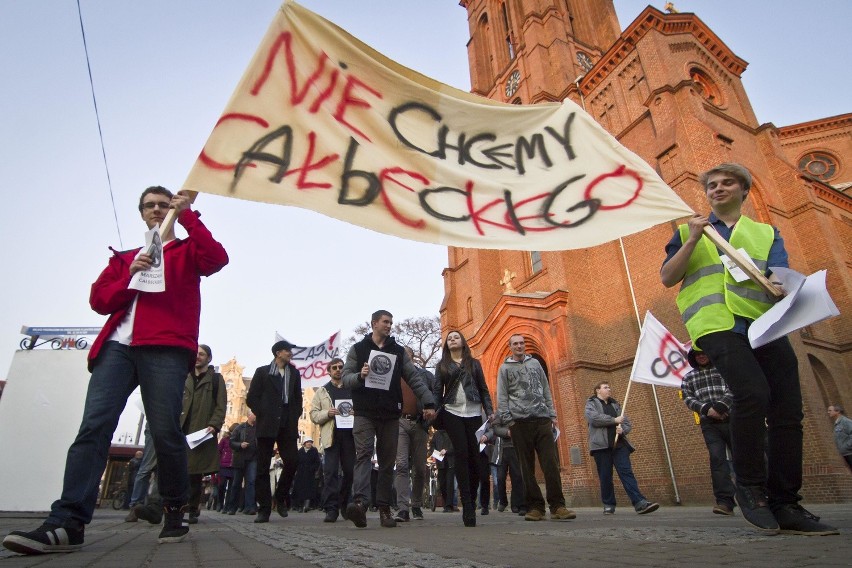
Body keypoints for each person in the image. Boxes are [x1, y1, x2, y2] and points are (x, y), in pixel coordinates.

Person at [2, 187, 228, 555]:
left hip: (165, 348)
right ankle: (68, 522)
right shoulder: (125, 258)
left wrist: (187, 215)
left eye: (163, 204)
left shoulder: (186, 251)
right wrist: (129, 277)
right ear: (141, 213)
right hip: (117, 349)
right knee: (93, 426)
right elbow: (99, 300)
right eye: (150, 205)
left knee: (165, 430)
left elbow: (217, 259)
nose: (157, 210)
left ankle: (173, 507)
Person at [660, 162, 837, 535]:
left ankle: (786, 502)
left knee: (788, 407)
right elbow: (668, 276)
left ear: (744, 190)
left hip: (764, 325)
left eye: (727, 183)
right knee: (752, 392)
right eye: (712, 185)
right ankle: (751, 488)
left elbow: (779, 273)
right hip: (716, 324)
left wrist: (783, 284)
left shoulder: (765, 232)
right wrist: (693, 239)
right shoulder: (689, 230)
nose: (718, 189)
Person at [341, 309, 436, 529]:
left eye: (391, 323)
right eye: (385, 322)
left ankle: (384, 508)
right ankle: (361, 503)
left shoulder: (397, 351)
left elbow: (414, 378)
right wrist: (359, 376)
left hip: (391, 413)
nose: (389, 326)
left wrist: (429, 402)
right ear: (374, 323)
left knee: (387, 461)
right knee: (363, 455)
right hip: (364, 412)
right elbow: (345, 378)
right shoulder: (358, 349)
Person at [496, 334, 575, 522]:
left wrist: (552, 414)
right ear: (510, 347)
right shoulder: (504, 369)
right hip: (519, 423)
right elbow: (502, 396)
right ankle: (535, 507)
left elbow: (546, 388)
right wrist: (509, 421)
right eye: (515, 344)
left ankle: (558, 506)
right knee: (526, 467)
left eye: (522, 343)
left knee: (550, 463)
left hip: (542, 419)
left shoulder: (535, 364)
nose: (519, 346)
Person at [432, 330, 494, 527]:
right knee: (461, 453)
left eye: (455, 337)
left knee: (475, 458)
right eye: (449, 338)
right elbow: (436, 391)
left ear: (463, 342)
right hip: (452, 412)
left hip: (474, 412)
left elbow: (483, 388)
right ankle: (467, 504)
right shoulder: (442, 365)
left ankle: (472, 498)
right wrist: (434, 411)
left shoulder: (474, 364)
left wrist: (490, 410)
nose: (452, 340)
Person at [246, 340, 303, 523]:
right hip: (267, 424)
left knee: (292, 461)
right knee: (262, 467)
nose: (290, 354)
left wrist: (294, 416)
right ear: (278, 353)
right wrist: (262, 413)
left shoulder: (294, 373)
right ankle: (264, 508)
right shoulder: (263, 372)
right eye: (287, 351)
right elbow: (252, 398)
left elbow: (297, 399)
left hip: (287, 423)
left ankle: (280, 496)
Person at [585, 382, 659, 515]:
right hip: (601, 447)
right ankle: (608, 504)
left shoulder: (616, 404)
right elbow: (593, 419)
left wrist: (622, 430)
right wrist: (614, 420)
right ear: (597, 390)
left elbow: (627, 423)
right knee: (605, 476)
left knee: (626, 472)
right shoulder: (591, 403)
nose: (609, 389)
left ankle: (639, 502)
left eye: (609, 387)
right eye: (605, 387)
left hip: (619, 445)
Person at [681, 349, 736, 515]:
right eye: (697, 355)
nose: (701, 356)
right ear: (693, 358)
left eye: (704, 353)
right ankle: (725, 502)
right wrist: (706, 409)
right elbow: (687, 398)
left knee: (743, 457)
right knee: (717, 459)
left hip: (731, 418)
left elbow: (733, 387)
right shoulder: (689, 377)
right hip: (709, 423)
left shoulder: (723, 370)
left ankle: (756, 497)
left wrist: (721, 406)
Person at [180, 344, 227, 524]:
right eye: (196, 353)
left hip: (200, 431)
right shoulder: (184, 375)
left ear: (209, 358)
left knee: (194, 473)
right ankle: (173, 507)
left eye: (202, 354)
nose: (198, 356)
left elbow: (221, 405)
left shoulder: (216, 379)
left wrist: (214, 425)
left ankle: (192, 508)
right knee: (176, 469)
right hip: (180, 428)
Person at [309, 357, 355, 523]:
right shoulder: (322, 391)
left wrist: (355, 413)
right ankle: (331, 508)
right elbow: (313, 415)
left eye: (340, 367)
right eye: (334, 367)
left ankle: (344, 503)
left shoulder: (352, 388)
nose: (337, 369)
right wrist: (327, 413)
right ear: (328, 371)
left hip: (350, 437)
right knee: (330, 473)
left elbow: (362, 409)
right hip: (331, 437)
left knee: (350, 472)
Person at [394, 347, 434, 522]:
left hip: (419, 423)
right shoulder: (392, 376)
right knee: (401, 464)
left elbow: (435, 396)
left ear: (412, 357)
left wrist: (430, 410)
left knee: (419, 467)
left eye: (406, 355)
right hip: (399, 423)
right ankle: (402, 508)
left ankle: (416, 504)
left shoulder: (425, 376)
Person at [492, 416, 525, 515]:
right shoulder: (501, 411)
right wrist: (507, 432)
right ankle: (503, 501)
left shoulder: (518, 411)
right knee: (500, 478)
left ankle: (516, 504)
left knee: (516, 476)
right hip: (502, 450)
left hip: (514, 448)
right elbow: (496, 428)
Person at [227, 414, 258, 515]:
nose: (256, 417)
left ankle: (250, 507)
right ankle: (232, 507)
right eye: (254, 414)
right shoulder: (240, 428)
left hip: (252, 459)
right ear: (249, 415)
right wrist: (240, 445)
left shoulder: (258, 428)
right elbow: (231, 442)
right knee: (236, 483)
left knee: (251, 482)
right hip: (240, 459)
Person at [291, 439, 321, 512]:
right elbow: (296, 461)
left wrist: (313, 469)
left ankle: (307, 505)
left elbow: (317, 462)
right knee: (299, 489)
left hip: (310, 474)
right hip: (300, 473)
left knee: (309, 489)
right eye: (307, 442)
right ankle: (299, 506)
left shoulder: (314, 451)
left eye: (310, 442)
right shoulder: (300, 451)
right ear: (304, 443)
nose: (309, 443)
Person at [429, 428, 455, 512]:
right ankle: (446, 503)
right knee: (442, 483)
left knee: (449, 483)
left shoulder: (452, 432)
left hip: (450, 462)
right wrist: (435, 452)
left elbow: (456, 446)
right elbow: (432, 445)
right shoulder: (437, 434)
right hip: (441, 462)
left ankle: (449, 505)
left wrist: (447, 451)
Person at [827, 405, 852, 471]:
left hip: (849, 453)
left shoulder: (846, 421)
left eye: (830, 410)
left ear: (837, 411)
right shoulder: (837, 423)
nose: (828, 412)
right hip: (845, 454)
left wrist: (846, 447)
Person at [217, 427, 234, 512]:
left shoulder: (238, 439)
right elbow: (219, 450)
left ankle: (227, 506)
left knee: (231, 488)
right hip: (224, 465)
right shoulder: (224, 439)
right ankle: (220, 503)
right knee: (222, 485)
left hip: (233, 466)